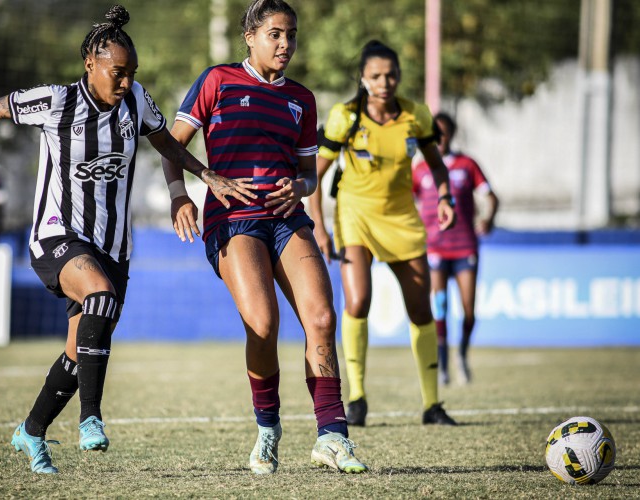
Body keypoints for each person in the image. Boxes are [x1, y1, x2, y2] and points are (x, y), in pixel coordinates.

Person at [0, 5, 252, 475]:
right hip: (57, 235)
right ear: (91, 64)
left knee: (79, 349)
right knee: (99, 298)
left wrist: (203, 176)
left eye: (131, 74)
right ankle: (91, 419)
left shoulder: (135, 101)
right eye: (117, 73)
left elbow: (165, 141)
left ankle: (32, 432)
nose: (124, 83)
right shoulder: (56, 101)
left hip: (112, 247)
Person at [162, 0, 367, 475]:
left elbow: (310, 175)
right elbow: (170, 145)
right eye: (275, 34)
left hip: (287, 219)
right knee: (263, 323)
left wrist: (301, 186)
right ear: (250, 36)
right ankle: (268, 429)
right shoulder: (218, 80)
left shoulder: (302, 97)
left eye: (291, 34)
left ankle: (332, 437)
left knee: (321, 315)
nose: (286, 44)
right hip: (233, 221)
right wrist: (182, 194)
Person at [308, 40, 458, 428]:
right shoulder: (345, 117)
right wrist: (319, 227)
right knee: (358, 301)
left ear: (399, 77)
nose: (384, 82)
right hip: (355, 217)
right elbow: (313, 177)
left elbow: (438, 167)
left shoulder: (416, 115)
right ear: (363, 78)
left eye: (391, 74)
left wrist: (445, 198)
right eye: (375, 75)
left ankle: (432, 404)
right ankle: (356, 399)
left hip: (403, 220)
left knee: (421, 308)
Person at [412, 112, 499, 385]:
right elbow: (407, 201)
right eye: (434, 133)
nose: (439, 138)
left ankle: (461, 353)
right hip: (435, 248)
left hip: (464, 248)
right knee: (440, 307)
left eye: (444, 132)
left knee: (468, 310)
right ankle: (443, 364)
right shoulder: (421, 168)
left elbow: (491, 197)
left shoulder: (466, 164)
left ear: (451, 134)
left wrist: (487, 218)